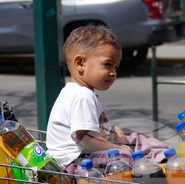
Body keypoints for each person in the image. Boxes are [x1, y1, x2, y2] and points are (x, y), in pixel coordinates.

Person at [46, 25, 167, 172]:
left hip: (83, 158)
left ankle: (164, 160)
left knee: (132, 136)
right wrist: (116, 148)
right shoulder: (82, 96)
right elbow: (85, 138)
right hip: (75, 164)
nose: (113, 72)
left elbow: (92, 130)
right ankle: (157, 170)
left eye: (116, 67)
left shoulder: (77, 92)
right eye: (108, 64)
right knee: (122, 155)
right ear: (80, 63)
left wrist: (110, 131)